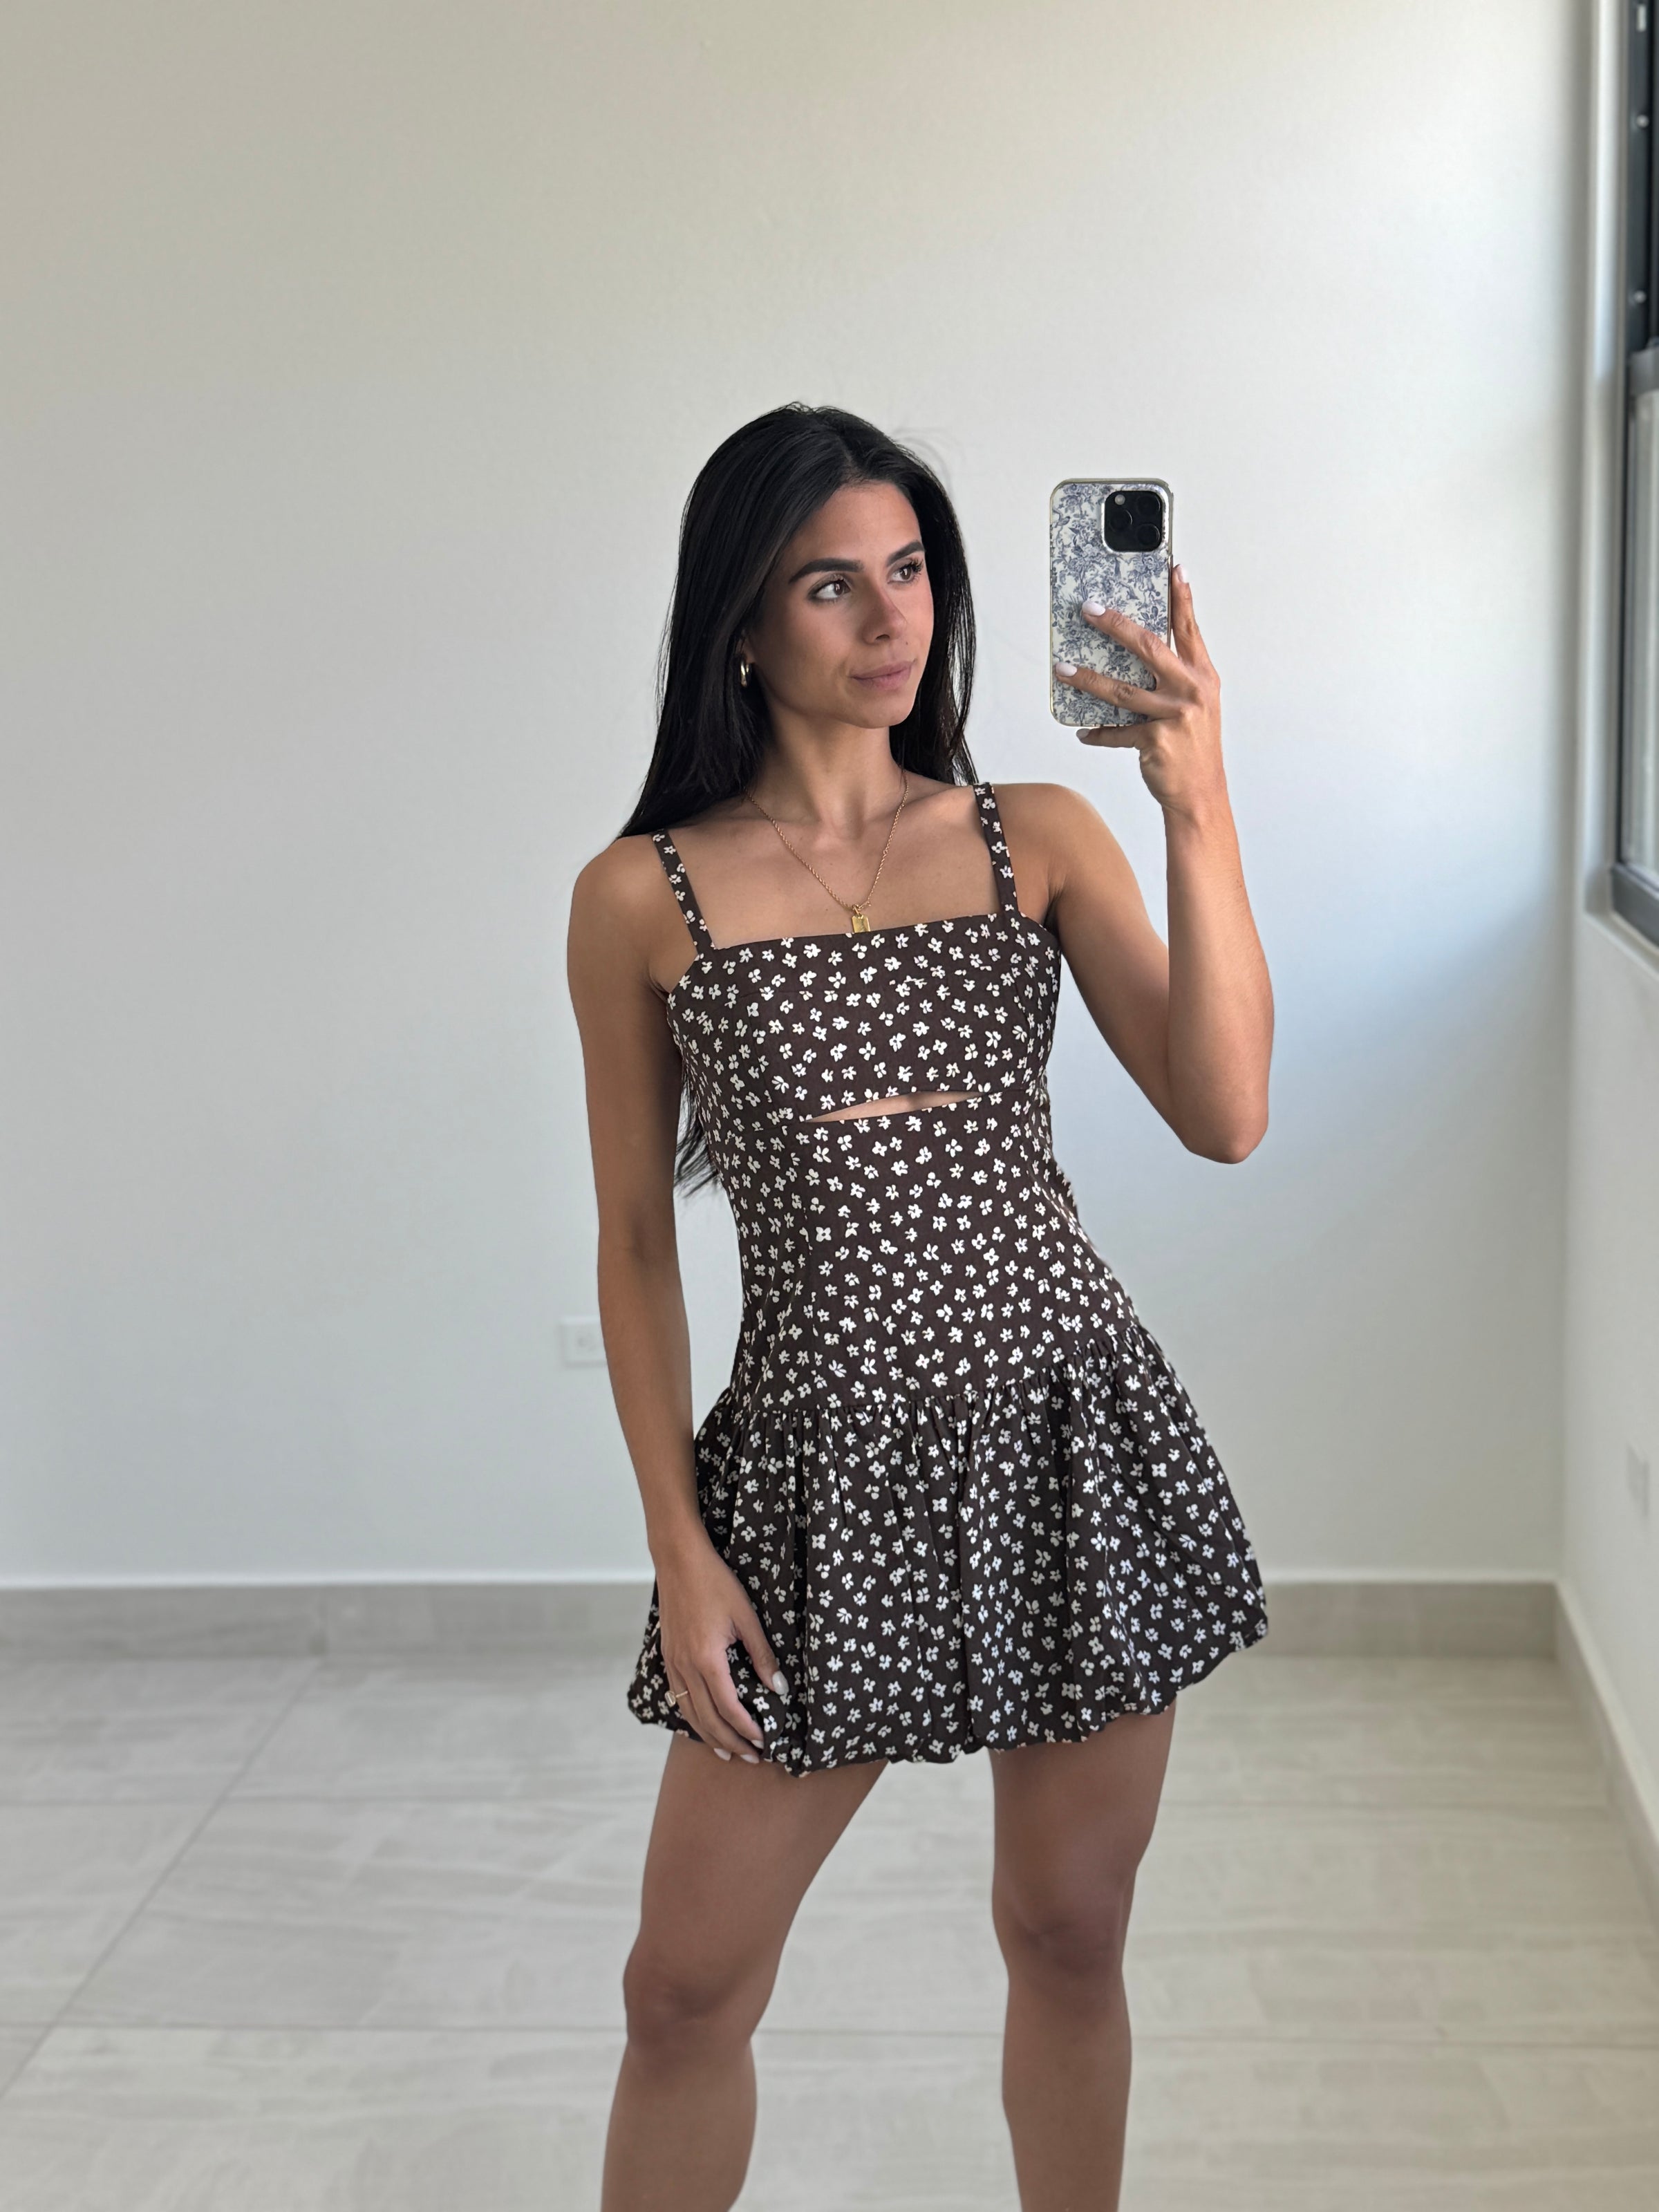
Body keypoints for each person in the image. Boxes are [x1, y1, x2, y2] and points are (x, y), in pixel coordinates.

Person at [565, 403, 1272, 2212]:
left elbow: (1224, 1113)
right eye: (831, 585)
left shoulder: (1036, 835)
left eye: (909, 572)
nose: (892, 620)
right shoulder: (644, 897)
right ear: (740, 623)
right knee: (683, 1991)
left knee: (1069, 1934)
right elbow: (634, 1242)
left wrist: (1193, 804)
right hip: (816, 1480)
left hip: (1069, 1438)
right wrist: (679, 1546)